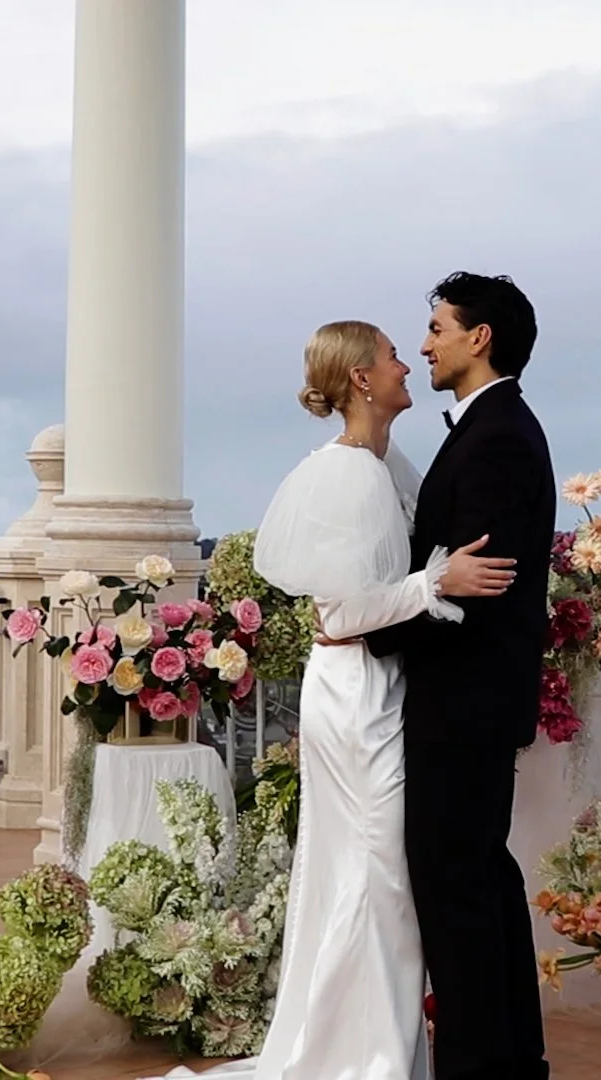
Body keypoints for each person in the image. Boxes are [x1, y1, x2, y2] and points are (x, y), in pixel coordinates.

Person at [158, 318, 515, 1080]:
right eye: (392, 356)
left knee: (371, 872)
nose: (407, 364)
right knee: (381, 877)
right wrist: (435, 584)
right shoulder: (349, 472)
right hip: (353, 692)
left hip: (382, 687)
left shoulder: (390, 465)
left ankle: (367, 1049)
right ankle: (364, 1063)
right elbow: (338, 613)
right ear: (361, 377)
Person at [363, 272, 555, 1080]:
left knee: (458, 892)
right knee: (483, 879)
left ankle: (481, 1066)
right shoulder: (490, 427)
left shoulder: (499, 435)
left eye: (438, 325)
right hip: (472, 700)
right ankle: (512, 1061)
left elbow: (475, 588)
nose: (426, 342)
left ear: (481, 338)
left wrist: (368, 626)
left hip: (463, 703)